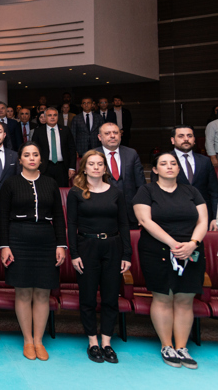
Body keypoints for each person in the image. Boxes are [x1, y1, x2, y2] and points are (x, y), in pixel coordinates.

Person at [133, 152, 208, 369]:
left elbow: (203, 220)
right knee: (163, 297)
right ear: (155, 169)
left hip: (191, 250)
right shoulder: (146, 191)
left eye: (173, 163)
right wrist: (174, 244)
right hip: (157, 250)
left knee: (185, 299)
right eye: (164, 163)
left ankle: (182, 347)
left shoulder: (192, 191)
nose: (169, 166)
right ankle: (167, 346)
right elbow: (145, 220)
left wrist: (193, 243)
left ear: (178, 168)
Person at [0, 142, 66, 361]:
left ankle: (39, 340)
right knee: (24, 292)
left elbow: (58, 216)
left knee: (43, 293)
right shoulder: (10, 183)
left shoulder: (50, 183)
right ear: (20, 160)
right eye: (27, 155)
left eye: (35, 154)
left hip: (46, 240)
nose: (31, 158)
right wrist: (4, 246)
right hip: (18, 239)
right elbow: (2, 217)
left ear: (40, 159)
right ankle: (27, 340)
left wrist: (61, 245)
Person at [67, 150, 131, 364]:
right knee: (87, 297)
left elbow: (124, 224)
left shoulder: (116, 193)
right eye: (91, 164)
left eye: (100, 164)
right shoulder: (76, 193)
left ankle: (107, 342)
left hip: (113, 246)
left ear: (105, 168)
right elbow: (72, 225)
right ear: (84, 168)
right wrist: (74, 253)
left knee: (110, 297)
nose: (96, 167)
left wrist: (127, 254)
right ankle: (92, 341)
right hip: (87, 247)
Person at [151, 125, 218, 231]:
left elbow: (214, 192)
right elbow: (156, 192)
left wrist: (215, 218)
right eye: (181, 136)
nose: (186, 139)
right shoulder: (163, 161)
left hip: (204, 217)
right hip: (173, 218)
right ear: (172, 140)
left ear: (194, 140)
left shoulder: (205, 161)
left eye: (189, 136)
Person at [95, 123, 146, 229]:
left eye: (115, 132)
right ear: (100, 137)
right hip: (102, 213)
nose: (112, 136)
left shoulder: (131, 154)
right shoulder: (92, 155)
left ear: (120, 135)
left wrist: (141, 211)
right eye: (107, 133)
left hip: (130, 213)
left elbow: (141, 185)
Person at [31, 107, 76, 189]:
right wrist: (36, 168)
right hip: (45, 167)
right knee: (46, 191)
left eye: (55, 115)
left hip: (62, 167)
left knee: (62, 192)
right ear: (45, 117)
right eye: (49, 115)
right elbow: (34, 151)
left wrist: (72, 167)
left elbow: (72, 149)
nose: (52, 117)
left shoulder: (65, 130)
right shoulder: (38, 131)